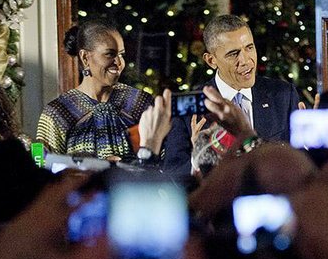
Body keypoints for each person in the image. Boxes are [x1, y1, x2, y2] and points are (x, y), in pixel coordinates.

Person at [163, 14, 301, 177]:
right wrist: (197, 159)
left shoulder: (283, 95)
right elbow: (171, 174)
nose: (245, 60)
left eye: (249, 47)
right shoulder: (187, 106)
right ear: (211, 60)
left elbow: (298, 162)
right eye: (233, 53)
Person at [37, 18, 153, 161]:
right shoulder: (57, 113)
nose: (119, 63)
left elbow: (165, 159)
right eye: (110, 54)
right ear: (85, 57)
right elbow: (40, 167)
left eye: (121, 54)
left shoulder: (141, 103)